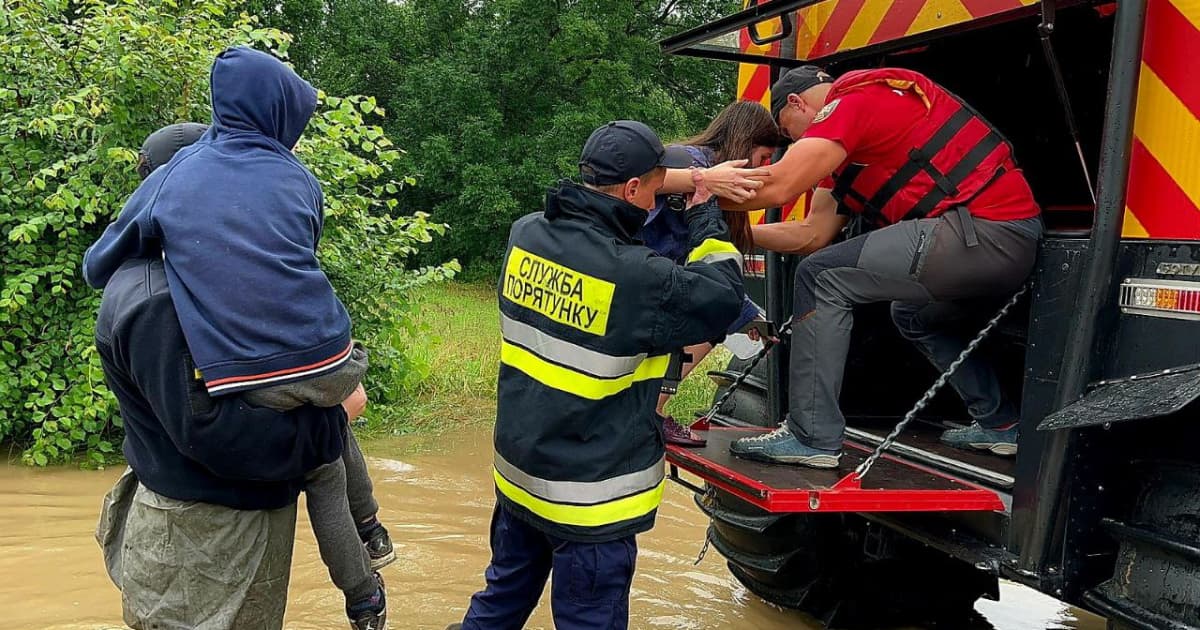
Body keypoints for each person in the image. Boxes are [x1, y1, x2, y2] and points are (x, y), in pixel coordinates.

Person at [84, 48, 392, 628]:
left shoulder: (188, 277)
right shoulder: (156, 302)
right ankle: (365, 577)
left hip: (211, 535)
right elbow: (213, 435)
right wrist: (334, 419)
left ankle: (365, 565)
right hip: (203, 544)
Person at [447, 120, 746, 630]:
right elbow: (722, 298)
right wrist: (705, 222)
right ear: (632, 190)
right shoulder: (637, 275)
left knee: (497, 606)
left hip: (519, 480)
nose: (655, 204)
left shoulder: (526, 233)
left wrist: (694, 178)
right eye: (654, 191)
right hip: (589, 503)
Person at [707, 65, 1042, 467]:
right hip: (990, 245)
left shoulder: (854, 102)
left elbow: (779, 186)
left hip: (990, 232)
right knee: (914, 314)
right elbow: (811, 234)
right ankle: (1001, 423)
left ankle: (811, 437)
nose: (792, 142)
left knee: (821, 276)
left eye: (787, 131)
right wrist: (738, 237)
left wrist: (691, 189)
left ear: (797, 103)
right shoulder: (846, 157)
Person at [642, 101, 784, 446]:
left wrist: (748, 315)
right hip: (641, 283)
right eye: (763, 158)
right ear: (744, 143)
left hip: (658, 284)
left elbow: (707, 263)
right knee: (708, 315)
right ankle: (650, 413)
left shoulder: (713, 186)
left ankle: (648, 410)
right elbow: (640, 184)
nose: (763, 169)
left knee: (717, 314)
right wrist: (702, 179)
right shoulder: (687, 160)